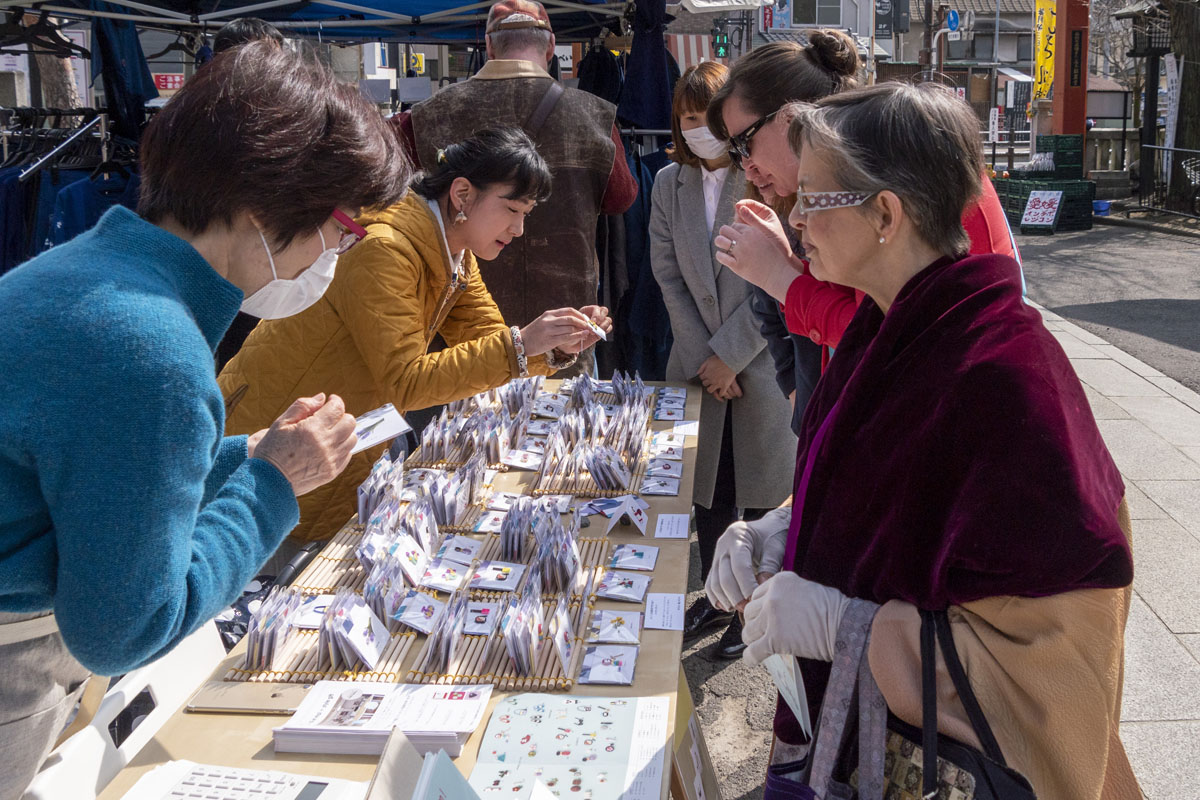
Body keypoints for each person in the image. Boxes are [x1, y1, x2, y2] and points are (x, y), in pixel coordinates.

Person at [0, 41, 408, 799]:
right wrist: (271, 485)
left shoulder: (84, 274)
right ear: (262, 211)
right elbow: (124, 627)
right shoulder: (150, 347)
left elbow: (91, 474)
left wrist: (237, 454)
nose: (339, 250)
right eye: (341, 226)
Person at [707, 83, 1139, 798]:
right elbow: (871, 492)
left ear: (886, 213)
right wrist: (781, 530)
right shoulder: (890, 326)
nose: (796, 217)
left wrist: (850, 626)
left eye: (815, 199)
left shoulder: (1006, 374)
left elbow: (1058, 651)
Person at [219, 126, 611, 550]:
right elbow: (406, 380)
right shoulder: (386, 248)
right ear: (462, 195)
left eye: (526, 213)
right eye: (512, 209)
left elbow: (490, 343)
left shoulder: (454, 251)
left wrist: (552, 344)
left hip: (333, 430)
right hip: (272, 425)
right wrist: (523, 344)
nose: (518, 228)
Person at [707, 38, 1022, 359]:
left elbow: (885, 337)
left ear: (791, 117)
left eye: (743, 144)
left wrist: (780, 278)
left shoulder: (892, 165)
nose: (745, 167)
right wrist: (787, 266)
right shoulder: (865, 163)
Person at [392, 0, 638, 376]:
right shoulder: (595, 115)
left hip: (453, 327)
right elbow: (622, 197)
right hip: (563, 323)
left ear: (489, 46)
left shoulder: (426, 116)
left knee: (463, 430)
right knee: (561, 432)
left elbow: (396, 199)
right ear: (551, 46)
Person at [649, 63, 796, 659]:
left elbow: (781, 276)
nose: (700, 132)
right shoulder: (667, 184)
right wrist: (705, 355)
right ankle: (712, 594)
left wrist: (731, 355)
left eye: (711, 121)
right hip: (696, 361)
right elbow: (666, 272)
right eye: (690, 121)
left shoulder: (762, 180)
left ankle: (749, 609)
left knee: (762, 492)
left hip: (759, 358)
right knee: (708, 489)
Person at [210, 16, 287, 372]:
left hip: (276, 270)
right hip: (226, 272)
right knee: (234, 368)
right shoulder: (207, 123)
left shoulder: (283, 117)